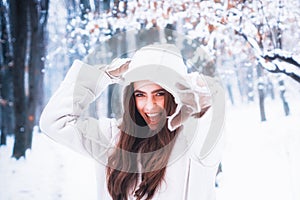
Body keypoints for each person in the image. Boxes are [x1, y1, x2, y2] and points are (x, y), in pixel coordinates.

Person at [39, 43, 225, 200]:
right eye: (140, 94)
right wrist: (104, 75)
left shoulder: (194, 143)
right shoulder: (112, 137)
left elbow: (212, 106)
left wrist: (188, 86)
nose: (150, 106)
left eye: (159, 94)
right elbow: (54, 121)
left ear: (175, 94)